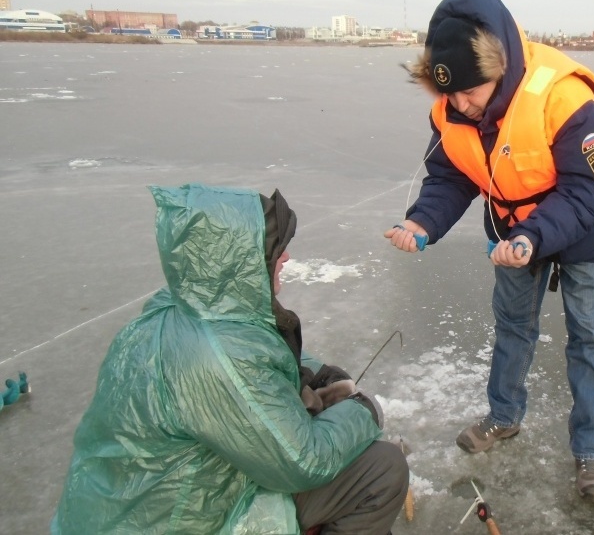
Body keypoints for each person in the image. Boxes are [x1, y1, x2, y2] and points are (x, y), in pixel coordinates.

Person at [53, 183, 408, 534]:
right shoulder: (216, 356)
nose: (285, 257)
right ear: (239, 262)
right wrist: (361, 409)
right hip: (176, 521)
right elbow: (304, 462)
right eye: (275, 250)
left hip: (122, 508)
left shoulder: (184, 305)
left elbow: (256, 347)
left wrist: (317, 372)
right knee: (382, 468)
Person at [384, 0, 594, 503]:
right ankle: (504, 417)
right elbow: (450, 175)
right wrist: (422, 222)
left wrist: (533, 236)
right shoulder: (452, 108)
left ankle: (590, 452)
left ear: (499, 69)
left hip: (581, 228)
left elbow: (588, 190)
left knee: (590, 340)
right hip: (512, 233)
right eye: (450, 94)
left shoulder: (564, 95)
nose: (461, 105)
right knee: (513, 327)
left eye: (471, 92)